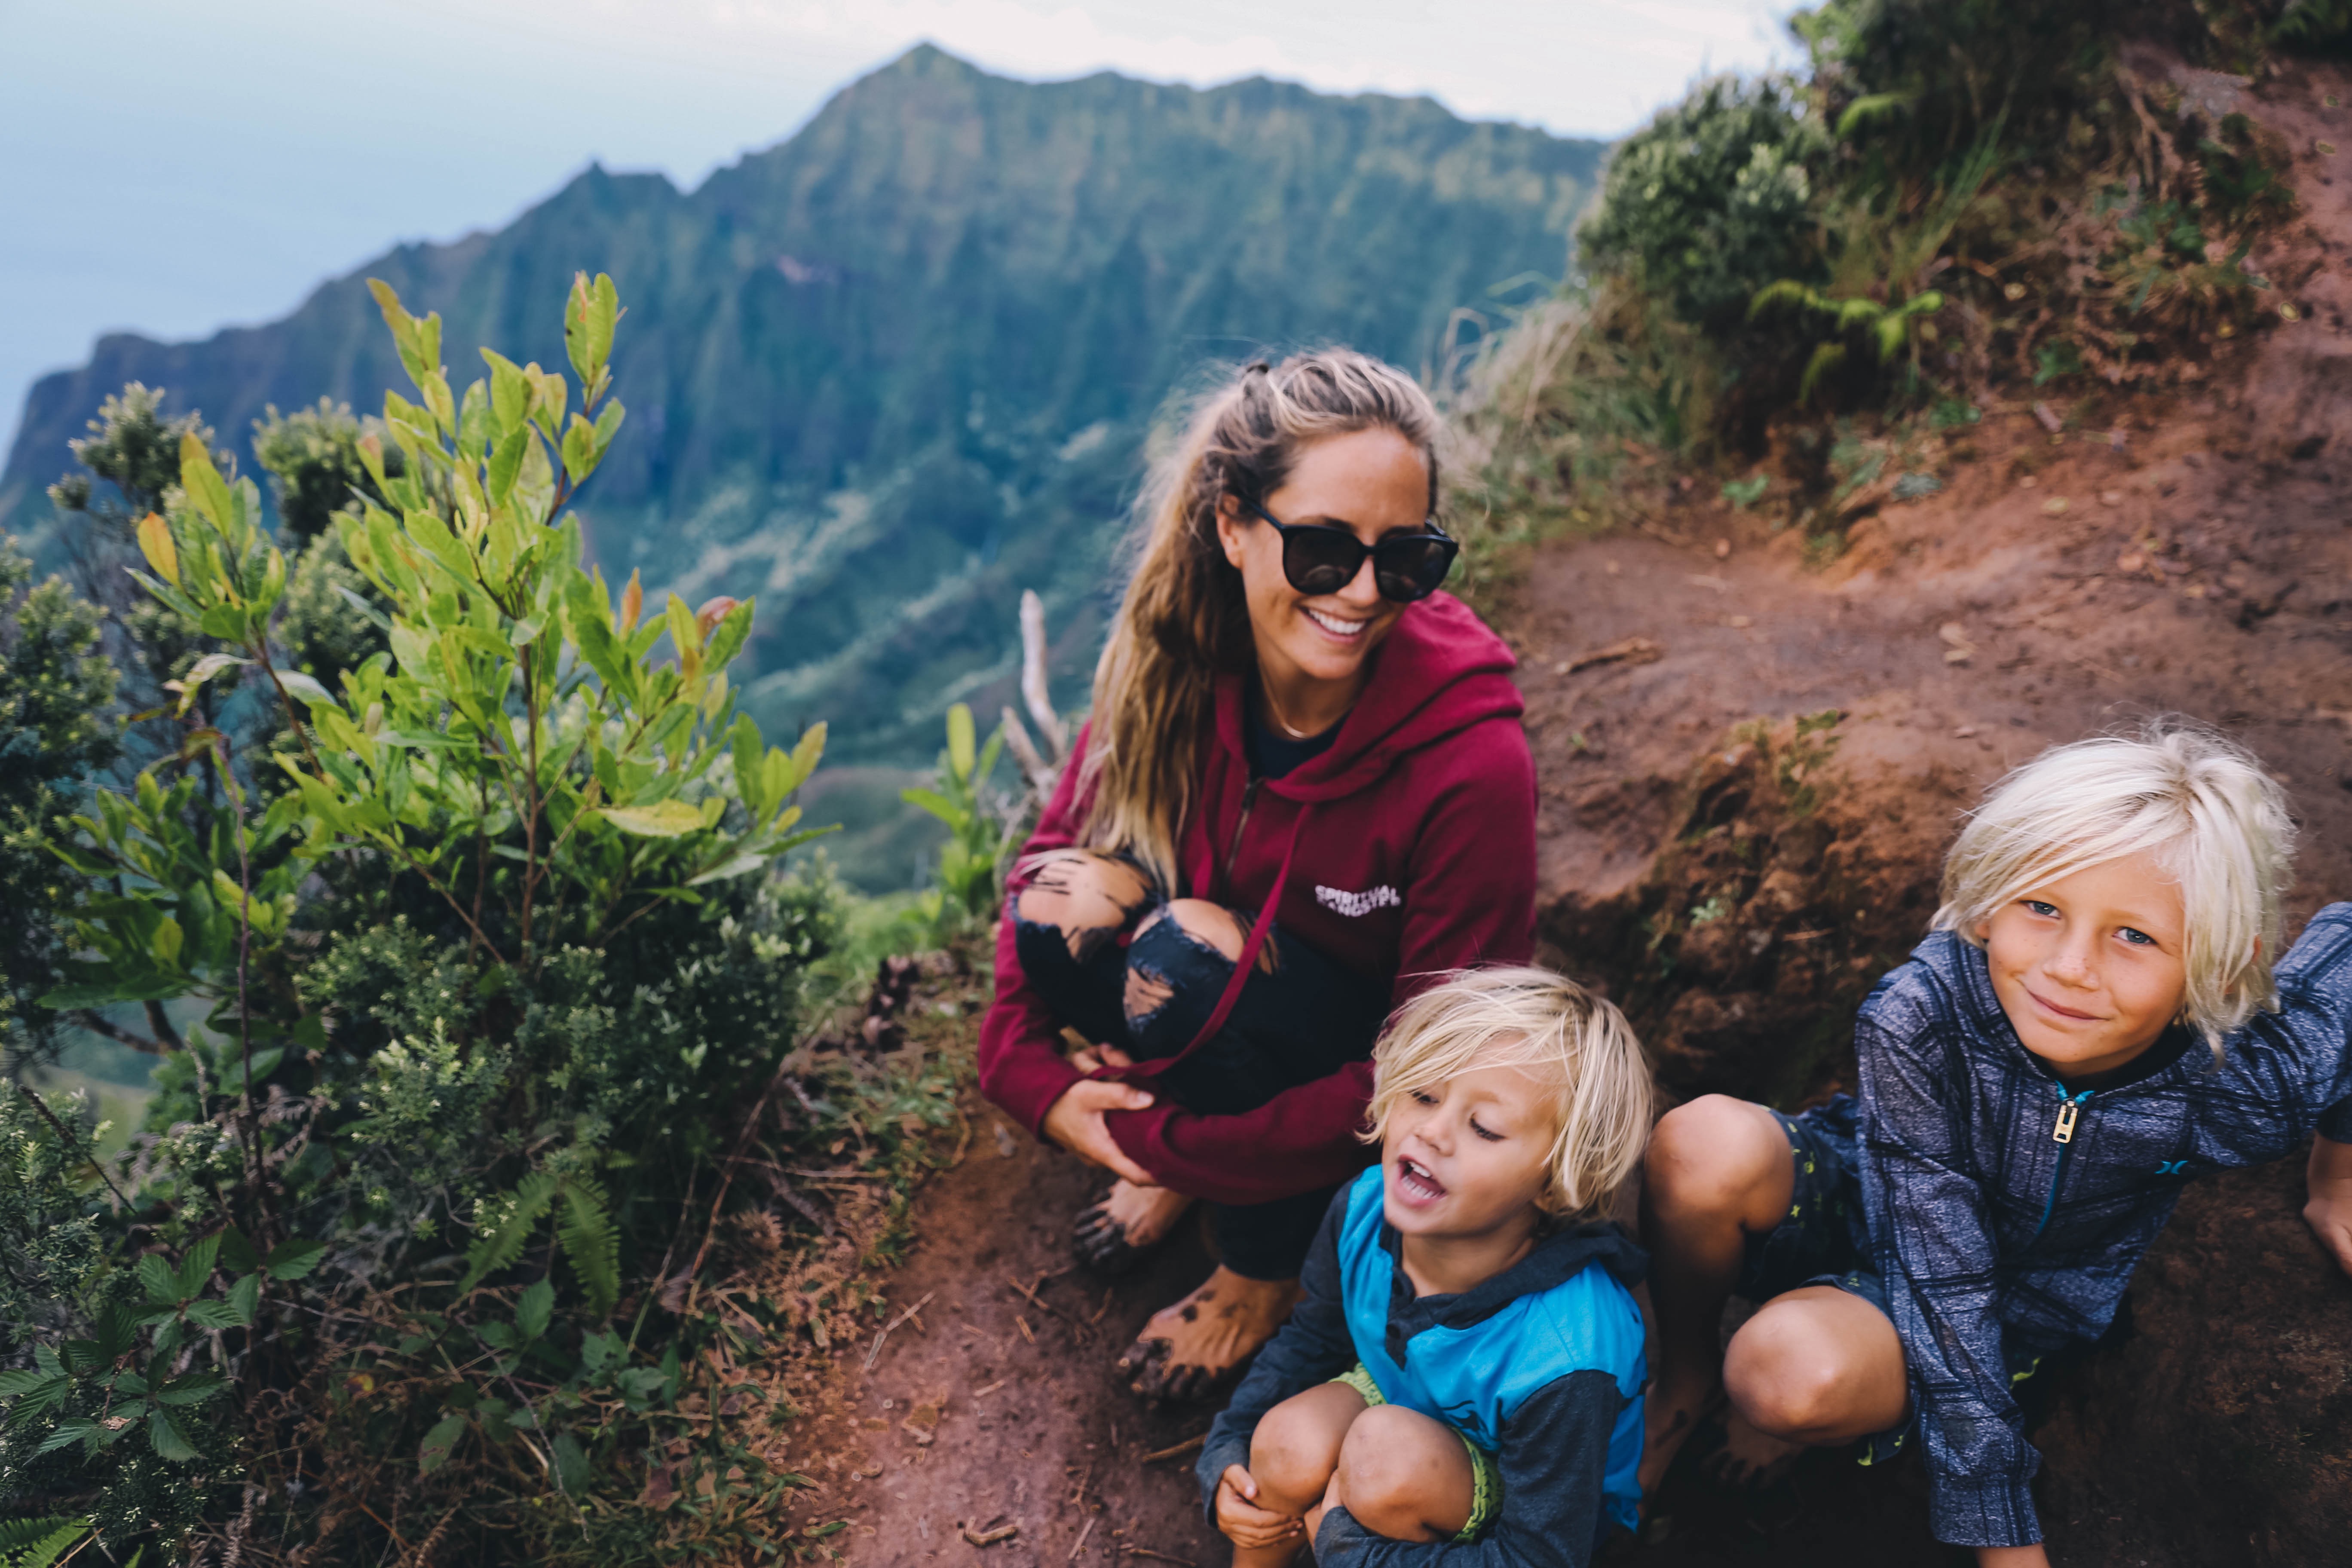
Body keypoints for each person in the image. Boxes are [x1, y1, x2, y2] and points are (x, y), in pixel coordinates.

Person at [1636, 721, 2352, 1565]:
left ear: (2225, 970)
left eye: (2135, 936)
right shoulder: (1922, 1014)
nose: (2070, 967)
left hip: (2020, 1289)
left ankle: (1814, 1383)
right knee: (1700, 1141)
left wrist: (2333, 1176)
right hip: (1881, 1190)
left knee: (1785, 1375)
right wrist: (2005, 1540)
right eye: (2042, 907)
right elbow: (1938, 1265)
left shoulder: (2239, 1087)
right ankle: (1682, 1370)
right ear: (1988, 902)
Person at [976, 351, 1538, 1401]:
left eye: (1406, 558)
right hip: (1208, 1004)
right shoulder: (1175, 664)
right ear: (1233, 525)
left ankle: (1261, 1268)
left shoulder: (1469, 760)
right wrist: (1036, 1084)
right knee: (1066, 901)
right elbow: (1036, 880)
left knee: (1185, 959)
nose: (1365, 595)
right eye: (1324, 551)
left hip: (1361, 1078)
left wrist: (1168, 1150)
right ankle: (1191, 1144)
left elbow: (1439, 1070)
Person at [1195, 968, 1654, 1568]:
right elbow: (1312, 1338)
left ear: (1554, 1184)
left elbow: (1539, 1555)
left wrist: (1350, 1550)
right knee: (1284, 1445)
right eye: (1424, 1095)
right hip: (1402, 1399)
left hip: (1526, 1503)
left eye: (1485, 1128)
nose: (1432, 1132)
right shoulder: (1363, 1207)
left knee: (1383, 1462)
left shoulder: (1567, 1355)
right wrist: (1227, 1447)